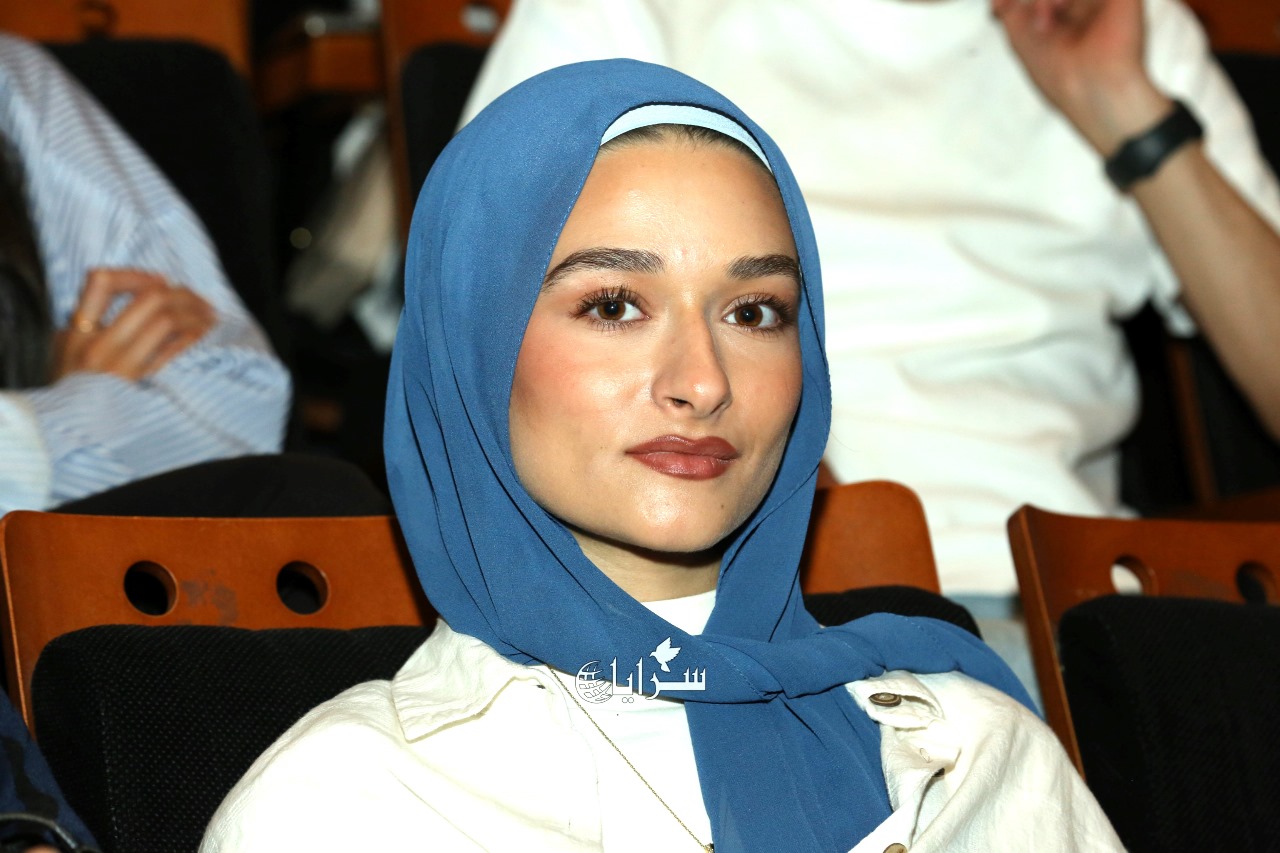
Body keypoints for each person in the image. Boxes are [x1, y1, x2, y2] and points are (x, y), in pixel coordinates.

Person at [201, 60, 1119, 852]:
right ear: (473, 346)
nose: (702, 381)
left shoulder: (974, 754)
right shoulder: (349, 804)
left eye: (753, 312)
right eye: (613, 306)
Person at [458, 0, 1280, 690]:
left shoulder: (1119, 19)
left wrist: (1123, 105)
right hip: (760, 599)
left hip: (1084, 608)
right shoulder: (625, 12)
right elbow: (471, 325)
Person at [0, 33, 290, 512]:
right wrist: (45, 419)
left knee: (317, 493)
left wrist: (54, 417)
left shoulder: (15, 83)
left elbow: (233, 403)